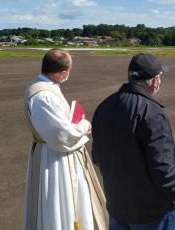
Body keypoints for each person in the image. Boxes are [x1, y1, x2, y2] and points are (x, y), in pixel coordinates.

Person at [91, 53, 175, 230]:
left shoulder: (104, 106)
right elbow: (162, 166)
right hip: (150, 212)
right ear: (155, 80)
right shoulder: (152, 113)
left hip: (117, 206)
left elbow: (97, 156)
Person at [23, 49, 108, 230]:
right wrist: (84, 126)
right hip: (53, 158)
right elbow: (61, 136)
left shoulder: (43, 86)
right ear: (63, 72)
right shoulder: (43, 96)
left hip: (51, 151)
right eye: (68, 71)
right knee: (59, 202)